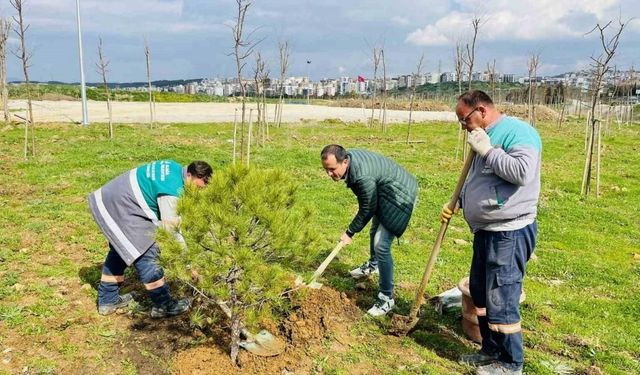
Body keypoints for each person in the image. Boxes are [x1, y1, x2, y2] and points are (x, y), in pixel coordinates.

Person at [441, 91, 541, 375]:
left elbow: (522, 172)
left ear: (481, 111)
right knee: (481, 292)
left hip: (508, 232)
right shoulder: (481, 134)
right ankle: (490, 350)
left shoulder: (518, 132)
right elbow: (481, 178)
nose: (463, 126)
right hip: (486, 230)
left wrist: (488, 150)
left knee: (502, 297)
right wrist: (459, 201)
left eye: (465, 119)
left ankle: (511, 364)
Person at [89, 160, 213, 318]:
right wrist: (188, 264)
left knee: (122, 248)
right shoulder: (171, 191)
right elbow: (171, 230)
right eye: (197, 187)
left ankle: (107, 300)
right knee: (147, 250)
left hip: (109, 199)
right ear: (189, 175)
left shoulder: (175, 168)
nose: (197, 192)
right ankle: (163, 305)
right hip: (121, 206)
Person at [321, 145, 418, 317]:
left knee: (381, 244)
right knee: (375, 229)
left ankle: (386, 297)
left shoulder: (362, 176)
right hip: (386, 189)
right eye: (326, 170)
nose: (329, 174)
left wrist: (350, 232)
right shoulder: (350, 161)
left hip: (400, 194)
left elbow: (367, 207)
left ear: (344, 161)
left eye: (332, 169)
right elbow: (369, 203)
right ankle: (374, 266)